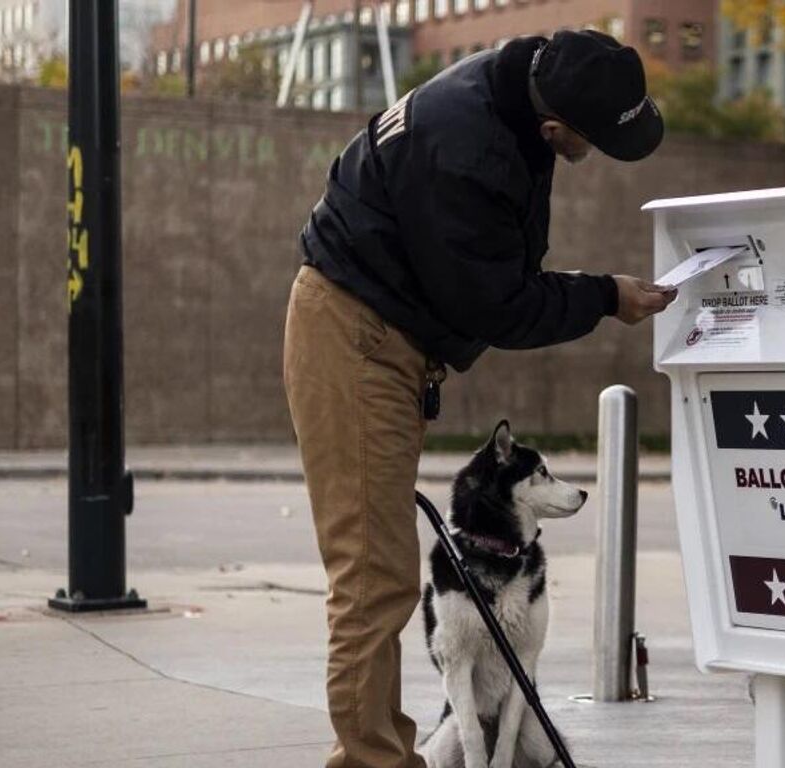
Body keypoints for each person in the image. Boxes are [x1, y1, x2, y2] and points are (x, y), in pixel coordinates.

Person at [281, 30, 676, 768]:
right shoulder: (466, 153)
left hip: (379, 328)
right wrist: (603, 297)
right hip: (355, 338)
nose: (584, 156)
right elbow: (498, 306)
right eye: (589, 144)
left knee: (377, 572)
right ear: (555, 127)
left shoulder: (515, 87)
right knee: (373, 578)